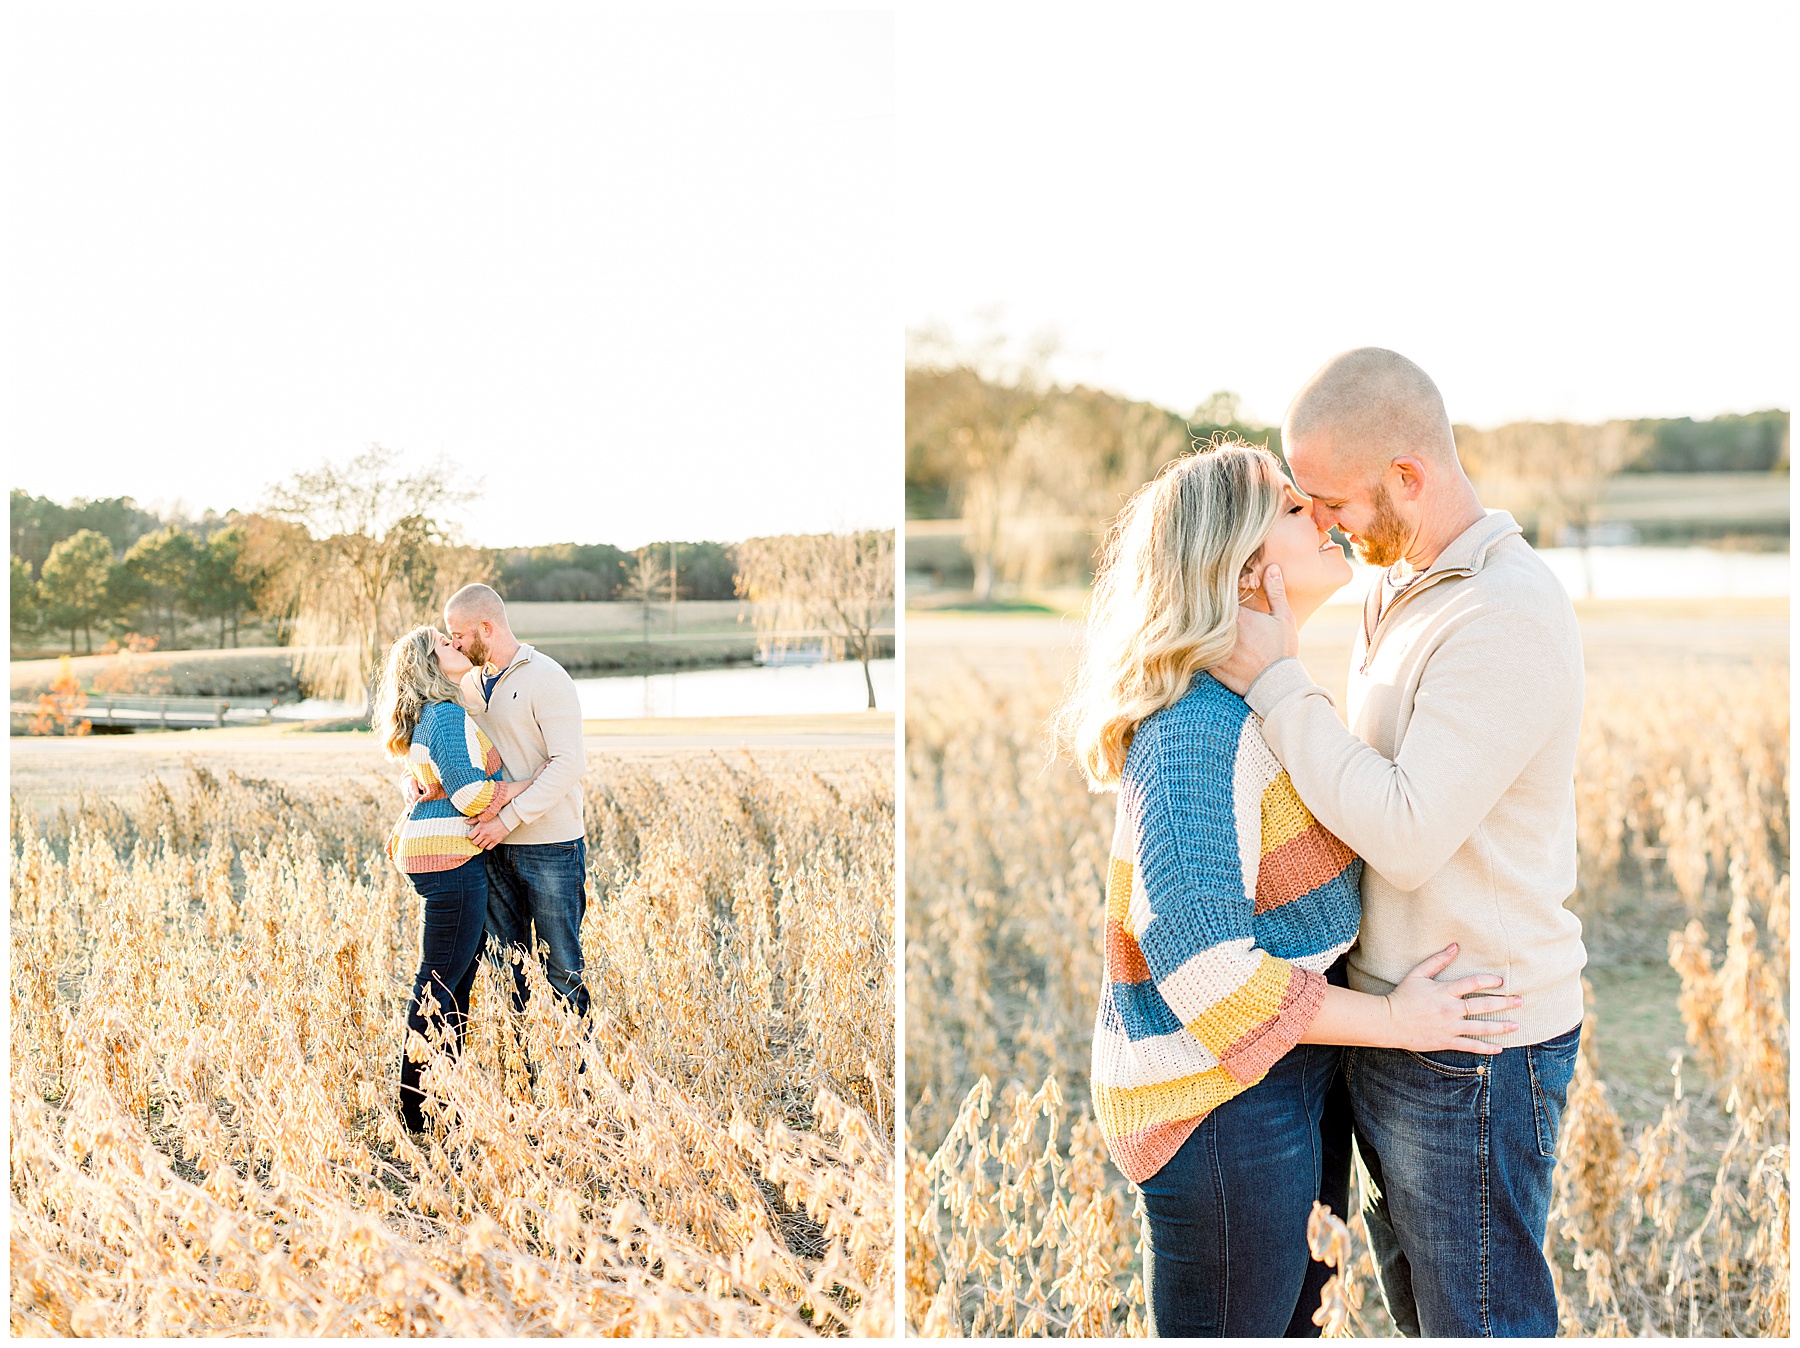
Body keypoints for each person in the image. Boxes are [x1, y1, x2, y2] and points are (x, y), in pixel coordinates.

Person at [1057, 440, 1523, 1338]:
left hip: (1286, 1074)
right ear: (1236, 571)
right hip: (1216, 1105)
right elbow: (1204, 972)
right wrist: (1394, 1025)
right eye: (1290, 505)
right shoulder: (1192, 728)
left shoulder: (1261, 706)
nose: (1321, 510)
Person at [1212, 348, 1588, 1338]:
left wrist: (1277, 682)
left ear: (1409, 478)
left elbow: (1410, 832)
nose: (1324, 524)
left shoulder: (1503, 611)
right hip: (1399, 1023)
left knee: (1481, 1322)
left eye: (1333, 501)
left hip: (1476, 1044)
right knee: (1430, 1315)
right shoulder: (1397, 585)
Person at [374, 625, 535, 1132]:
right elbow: (468, 795)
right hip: (449, 860)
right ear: (429, 664)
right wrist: (520, 788)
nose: (456, 645)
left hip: (436, 855)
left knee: (454, 983)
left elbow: (435, 779)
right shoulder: (444, 716)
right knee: (440, 982)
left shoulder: (437, 714)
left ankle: (443, 1098)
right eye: (445, 644)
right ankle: (416, 1111)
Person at [442, 583, 591, 1017]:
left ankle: (576, 1082)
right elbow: (438, 745)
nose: (453, 644)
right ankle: (526, 1080)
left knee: (562, 973)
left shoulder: (547, 677)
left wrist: (506, 820)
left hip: (550, 848)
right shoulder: (465, 684)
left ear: (486, 628)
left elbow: (567, 763)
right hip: (489, 848)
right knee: (509, 976)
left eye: (459, 635)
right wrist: (408, 782)